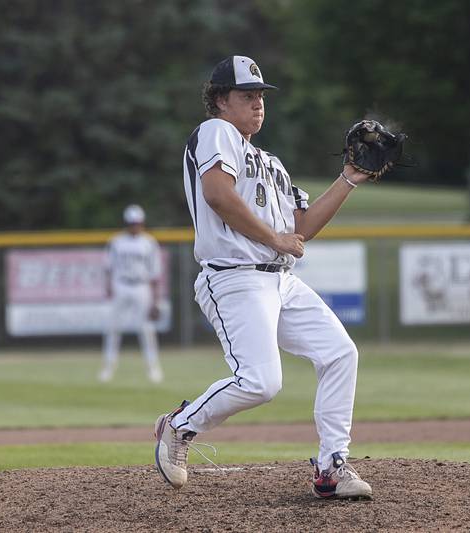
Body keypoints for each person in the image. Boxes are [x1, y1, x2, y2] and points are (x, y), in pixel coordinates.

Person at [154, 55, 373, 500]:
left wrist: (348, 179)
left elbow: (303, 227)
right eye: (246, 95)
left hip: (281, 280)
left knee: (340, 354)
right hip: (234, 277)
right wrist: (276, 238)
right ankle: (179, 427)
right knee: (260, 381)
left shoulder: (271, 163)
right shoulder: (215, 132)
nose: (257, 104)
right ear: (219, 100)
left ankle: (332, 466)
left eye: (260, 96)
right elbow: (218, 195)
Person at [99, 204, 163, 384]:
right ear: (126, 223)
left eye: (137, 223)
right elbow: (108, 267)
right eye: (131, 223)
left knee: (146, 330)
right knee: (113, 328)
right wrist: (109, 286)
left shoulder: (149, 242)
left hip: (141, 286)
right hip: (121, 284)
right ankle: (108, 367)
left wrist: (156, 300)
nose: (134, 226)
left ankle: (153, 368)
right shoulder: (116, 241)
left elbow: (155, 273)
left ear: (142, 223)